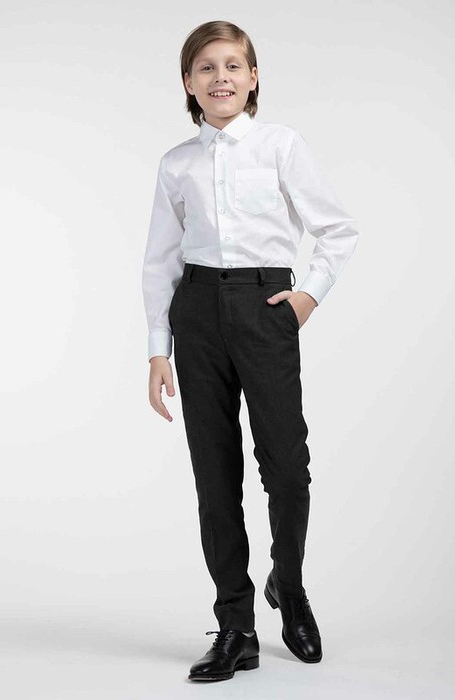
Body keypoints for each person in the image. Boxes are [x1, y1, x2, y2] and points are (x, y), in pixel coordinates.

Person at [142, 20, 359, 682]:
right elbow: (159, 260)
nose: (221, 78)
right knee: (215, 476)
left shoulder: (280, 145)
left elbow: (337, 230)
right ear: (188, 82)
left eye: (233, 65)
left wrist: (306, 297)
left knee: (286, 467)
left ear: (253, 76)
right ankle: (235, 625)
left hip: (266, 308)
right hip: (197, 313)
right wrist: (157, 348)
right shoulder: (176, 164)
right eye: (206, 67)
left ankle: (287, 585)